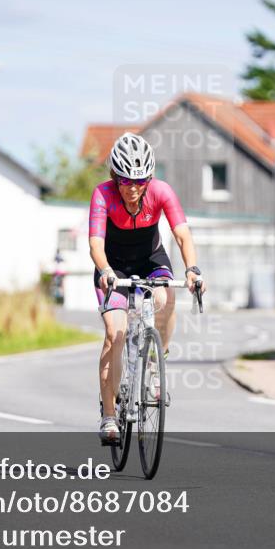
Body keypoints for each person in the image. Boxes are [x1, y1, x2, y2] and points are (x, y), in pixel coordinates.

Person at [89, 133, 207, 445]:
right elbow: (95, 243)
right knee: (114, 334)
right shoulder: (102, 194)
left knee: (166, 298)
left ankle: (156, 361)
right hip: (112, 267)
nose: (133, 188)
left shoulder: (161, 191)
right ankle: (109, 415)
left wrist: (192, 269)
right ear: (115, 177)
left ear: (149, 178)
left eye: (140, 181)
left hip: (151, 260)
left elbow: (182, 234)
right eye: (126, 181)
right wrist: (105, 271)